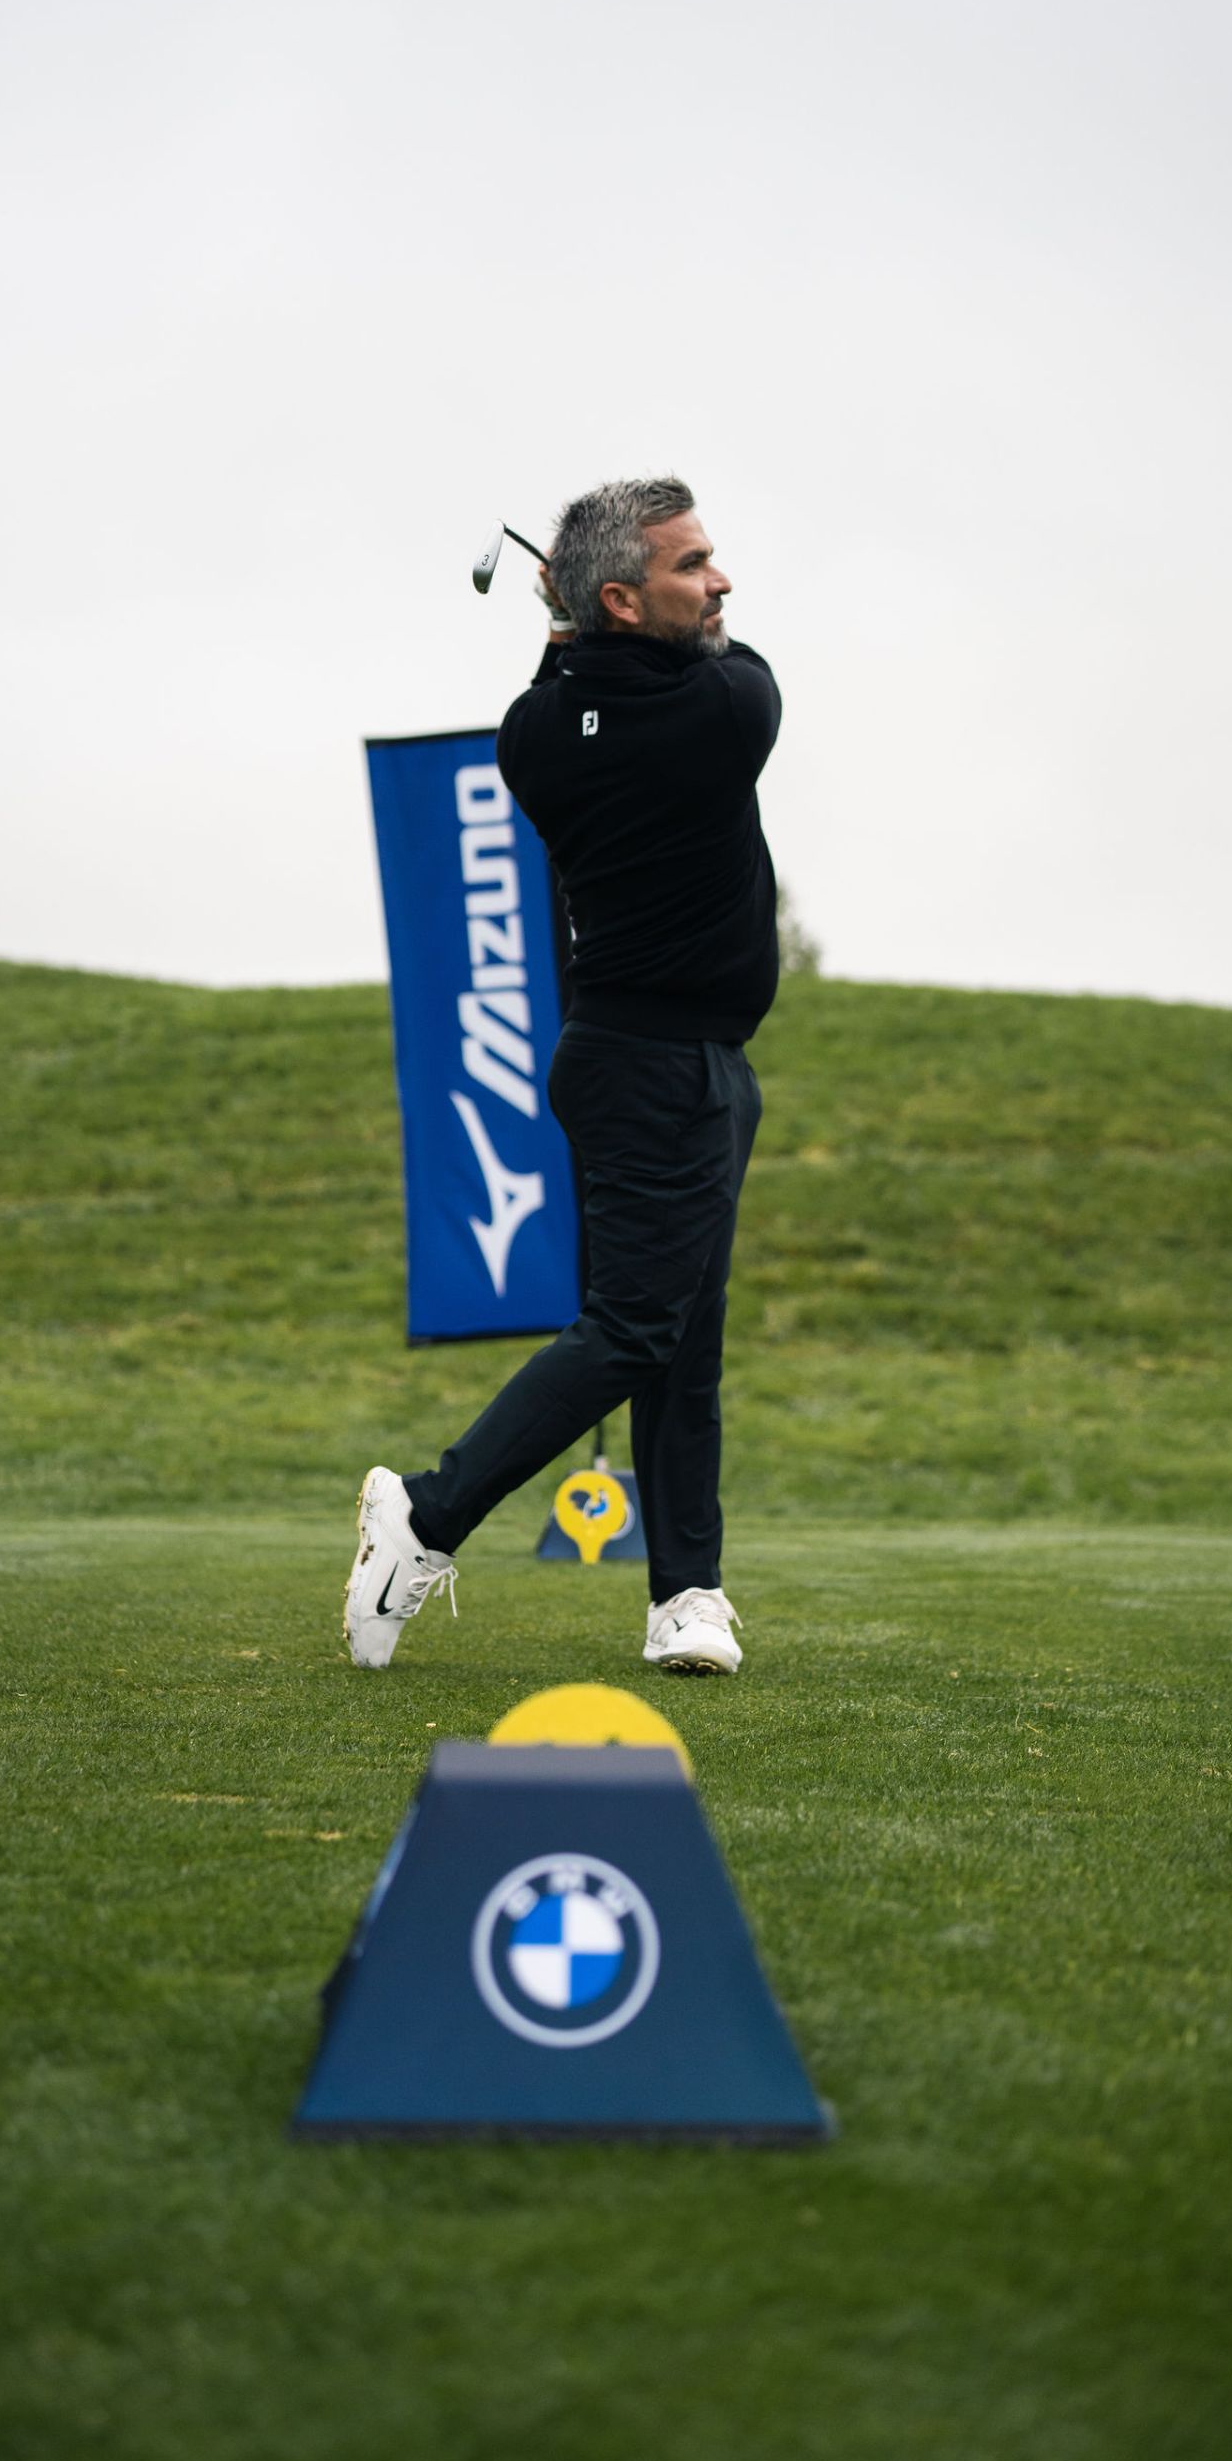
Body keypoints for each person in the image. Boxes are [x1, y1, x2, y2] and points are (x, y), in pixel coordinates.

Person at [345, 476, 781, 1677]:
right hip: (659, 1070)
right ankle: (427, 1513)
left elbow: (571, 693)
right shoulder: (729, 709)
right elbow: (719, 665)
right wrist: (572, 618)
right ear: (624, 601)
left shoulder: (532, 737)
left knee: (681, 1340)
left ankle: (685, 1594)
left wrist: (567, 625)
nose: (722, 582)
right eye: (692, 565)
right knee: (638, 1329)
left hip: (655, 1061)